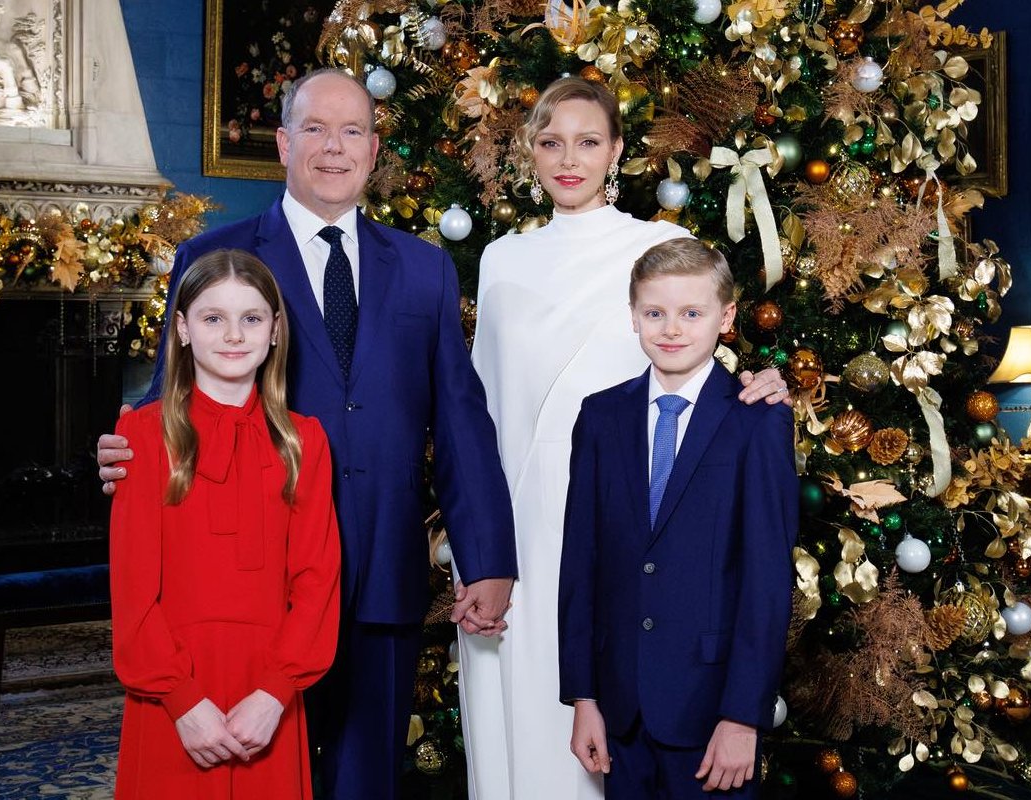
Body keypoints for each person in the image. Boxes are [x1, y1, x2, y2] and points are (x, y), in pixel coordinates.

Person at [97, 68, 517, 800]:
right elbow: (172, 398)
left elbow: (460, 420)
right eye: (315, 129)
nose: (333, 147)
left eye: (352, 131)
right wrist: (121, 453)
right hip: (254, 596)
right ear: (285, 143)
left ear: (374, 150)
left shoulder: (424, 269)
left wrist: (486, 559)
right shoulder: (217, 256)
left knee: (364, 781)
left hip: (382, 570)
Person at [459, 77, 790, 800]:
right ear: (531, 151)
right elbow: (479, 416)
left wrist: (765, 382)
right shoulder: (501, 260)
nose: (568, 159)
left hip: (632, 530)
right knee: (528, 727)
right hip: (523, 532)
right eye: (550, 142)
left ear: (615, 151)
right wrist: (478, 551)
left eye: (587, 142)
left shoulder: (662, 244)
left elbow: (697, 343)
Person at [559, 237, 798, 798]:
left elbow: (766, 580)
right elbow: (580, 564)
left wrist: (743, 716)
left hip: (712, 711)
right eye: (655, 313)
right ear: (633, 315)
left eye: (692, 313)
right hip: (620, 709)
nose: (671, 329)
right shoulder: (599, 417)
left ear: (726, 317)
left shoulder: (758, 420)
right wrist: (584, 696)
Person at [110, 249, 341, 798]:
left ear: (275, 330)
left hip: (267, 697)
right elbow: (133, 590)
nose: (234, 335)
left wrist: (275, 693)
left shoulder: (304, 441)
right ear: (182, 329)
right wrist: (181, 700)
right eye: (213, 318)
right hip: (174, 697)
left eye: (251, 318)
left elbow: (318, 581)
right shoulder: (142, 437)